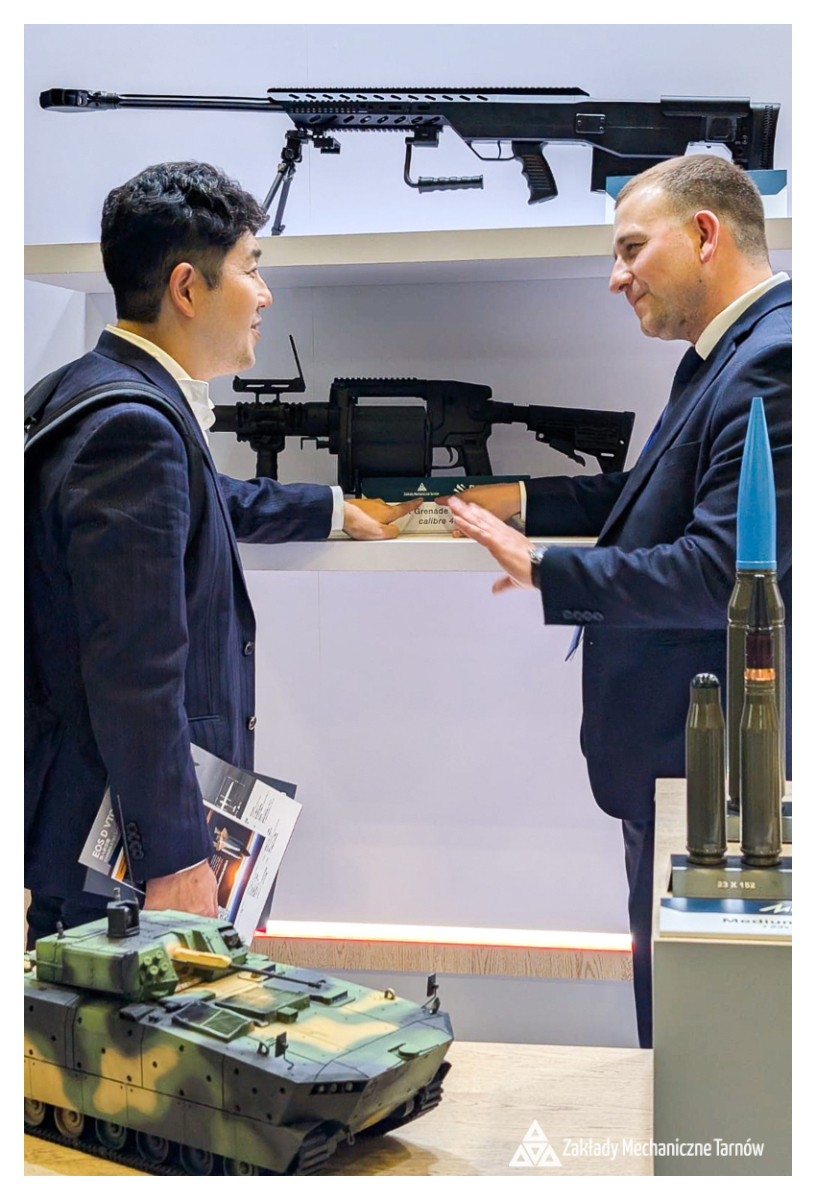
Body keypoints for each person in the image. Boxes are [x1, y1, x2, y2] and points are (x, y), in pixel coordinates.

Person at [439, 155, 792, 1048]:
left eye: (632, 248)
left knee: (698, 1048)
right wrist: (517, 501)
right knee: (673, 1031)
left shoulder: (776, 359)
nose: (616, 276)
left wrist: (544, 570)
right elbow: (649, 497)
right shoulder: (730, 355)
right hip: (679, 765)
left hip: (714, 778)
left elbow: (723, 573)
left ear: (705, 234)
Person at [25, 161, 420, 943]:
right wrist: (175, 855)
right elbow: (135, 669)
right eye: (251, 268)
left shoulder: (84, 391)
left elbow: (195, 502)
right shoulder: (132, 428)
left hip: (80, 827)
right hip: (118, 862)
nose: (264, 295)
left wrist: (334, 509)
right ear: (187, 288)